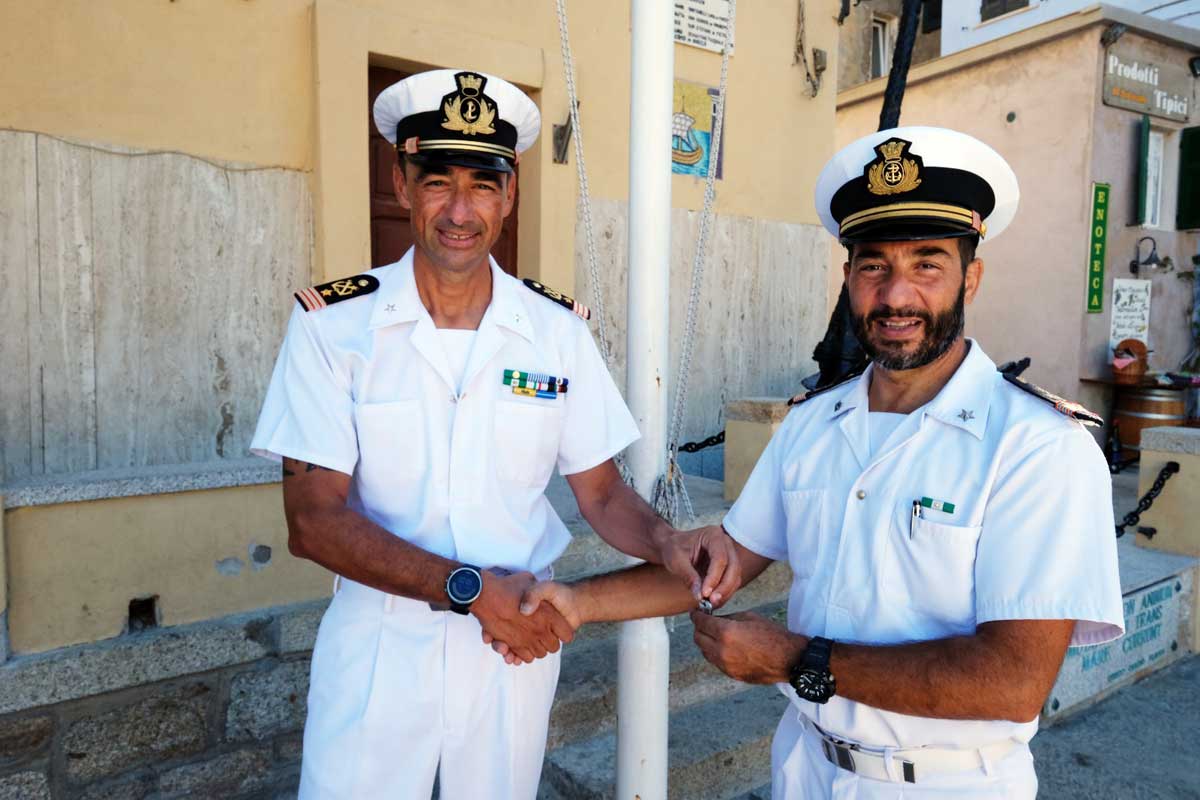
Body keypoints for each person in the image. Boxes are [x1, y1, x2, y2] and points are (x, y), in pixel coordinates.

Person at [511, 126, 1125, 798]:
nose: (896, 296)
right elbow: (725, 564)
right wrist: (573, 600)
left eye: (927, 264)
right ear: (848, 279)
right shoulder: (811, 424)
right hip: (806, 769)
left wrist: (794, 659)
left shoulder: (1037, 446)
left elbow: (1012, 682)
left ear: (970, 276)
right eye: (873, 266)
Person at [249, 68, 739, 800]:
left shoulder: (554, 331)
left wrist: (665, 542)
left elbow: (601, 492)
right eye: (437, 180)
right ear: (401, 184)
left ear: (509, 195)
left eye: (482, 184)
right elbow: (313, 522)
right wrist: (469, 590)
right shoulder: (334, 327)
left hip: (513, 646)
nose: (459, 209)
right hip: (383, 642)